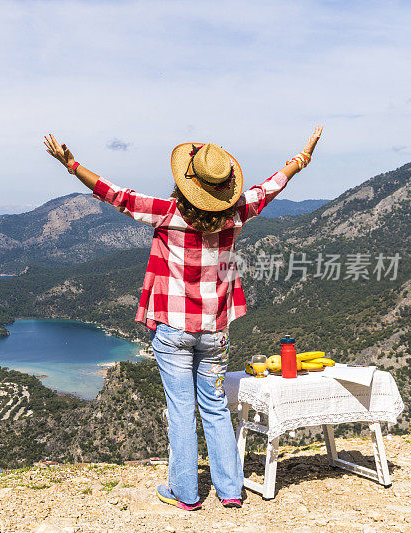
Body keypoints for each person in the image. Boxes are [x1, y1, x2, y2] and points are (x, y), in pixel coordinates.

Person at [44, 126, 323, 510]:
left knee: (181, 410)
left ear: (187, 182)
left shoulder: (167, 213)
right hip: (215, 333)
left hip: (173, 330)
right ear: (224, 187)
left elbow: (115, 195)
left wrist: (71, 164)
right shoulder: (237, 214)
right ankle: (230, 491)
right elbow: (271, 187)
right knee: (214, 407)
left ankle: (185, 493)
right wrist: (301, 159)